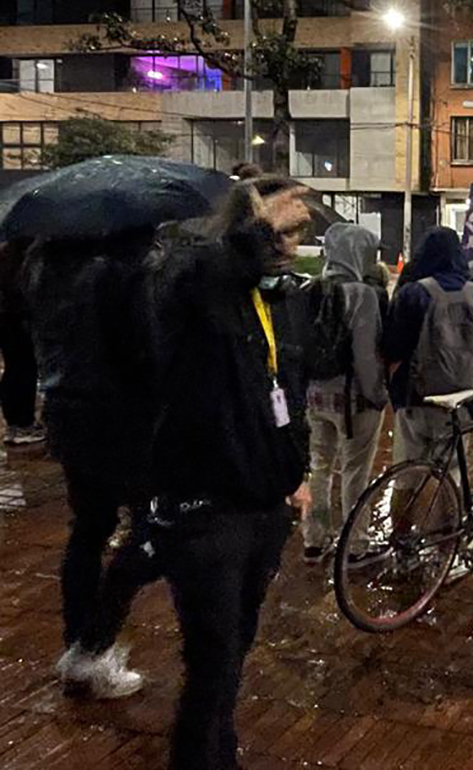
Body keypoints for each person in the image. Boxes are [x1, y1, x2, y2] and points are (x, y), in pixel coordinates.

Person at [146, 176, 315, 770]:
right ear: (246, 226)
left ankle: (222, 752)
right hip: (204, 507)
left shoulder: (283, 301)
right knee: (212, 657)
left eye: (297, 233)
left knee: (235, 647)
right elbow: (195, 284)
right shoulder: (194, 283)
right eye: (283, 231)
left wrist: (299, 472)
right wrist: (254, 228)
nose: (291, 245)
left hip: (264, 505)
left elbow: (289, 395)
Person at [25, 228, 160, 699]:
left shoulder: (42, 266)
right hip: (122, 420)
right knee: (155, 529)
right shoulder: (121, 270)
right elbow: (145, 351)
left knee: (89, 529)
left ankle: (80, 643)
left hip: (67, 411)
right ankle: (92, 646)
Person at [382, 226, 473, 486]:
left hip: (413, 400)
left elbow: (392, 348)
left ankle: (402, 525)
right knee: (450, 477)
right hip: (461, 400)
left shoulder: (411, 294)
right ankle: (448, 525)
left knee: (406, 477)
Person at [302, 224, 389, 566]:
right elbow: (365, 355)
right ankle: (356, 545)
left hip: (314, 396)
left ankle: (314, 540)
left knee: (319, 466)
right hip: (354, 399)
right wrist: (377, 395)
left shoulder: (309, 289)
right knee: (355, 471)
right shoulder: (362, 294)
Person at [0, 240, 44, 446]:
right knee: (23, 368)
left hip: (8, 317)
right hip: (15, 318)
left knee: (14, 368)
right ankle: (22, 423)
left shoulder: (7, 252)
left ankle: (15, 424)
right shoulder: (16, 256)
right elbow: (17, 289)